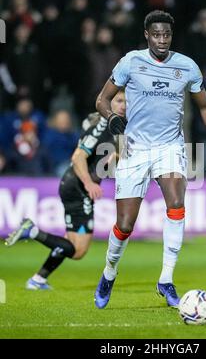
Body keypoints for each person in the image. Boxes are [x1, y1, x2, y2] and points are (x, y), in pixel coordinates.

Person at [94, 10, 206, 309]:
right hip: (134, 148)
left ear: (172, 35)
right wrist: (113, 117)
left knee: (177, 204)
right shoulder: (130, 61)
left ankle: (166, 280)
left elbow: (205, 107)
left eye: (166, 35)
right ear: (147, 35)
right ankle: (109, 272)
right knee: (125, 225)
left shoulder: (187, 67)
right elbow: (101, 100)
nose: (162, 40)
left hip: (170, 147)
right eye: (156, 35)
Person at [5, 90, 126, 290]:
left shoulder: (112, 128)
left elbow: (102, 155)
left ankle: (38, 279)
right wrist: (89, 184)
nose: (123, 106)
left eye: (126, 102)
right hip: (78, 187)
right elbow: (77, 157)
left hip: (73, 185)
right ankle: (32, 231)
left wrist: (116, 157)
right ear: (108, 103)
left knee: (67, 242)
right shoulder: (102, 127)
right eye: (119, 101)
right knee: (78, 250)